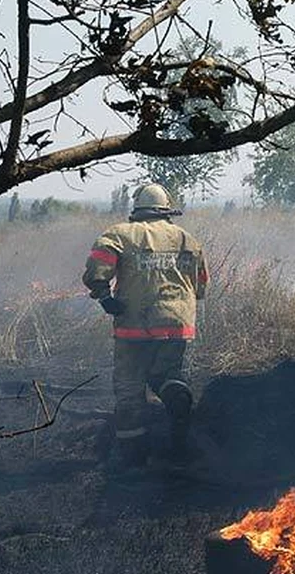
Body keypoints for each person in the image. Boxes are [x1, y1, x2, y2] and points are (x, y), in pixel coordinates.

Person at [82, 183, 208, 466]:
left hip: (134, 326)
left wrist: (104, 297)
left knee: (129, 387)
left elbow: (96, 270)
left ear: (137, 208)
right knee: (165, 373)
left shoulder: (120, 234)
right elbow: (200, 286)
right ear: (167, 209)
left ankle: (133, 457)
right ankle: (174, 399)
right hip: (177, 326)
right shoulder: (187, 239)